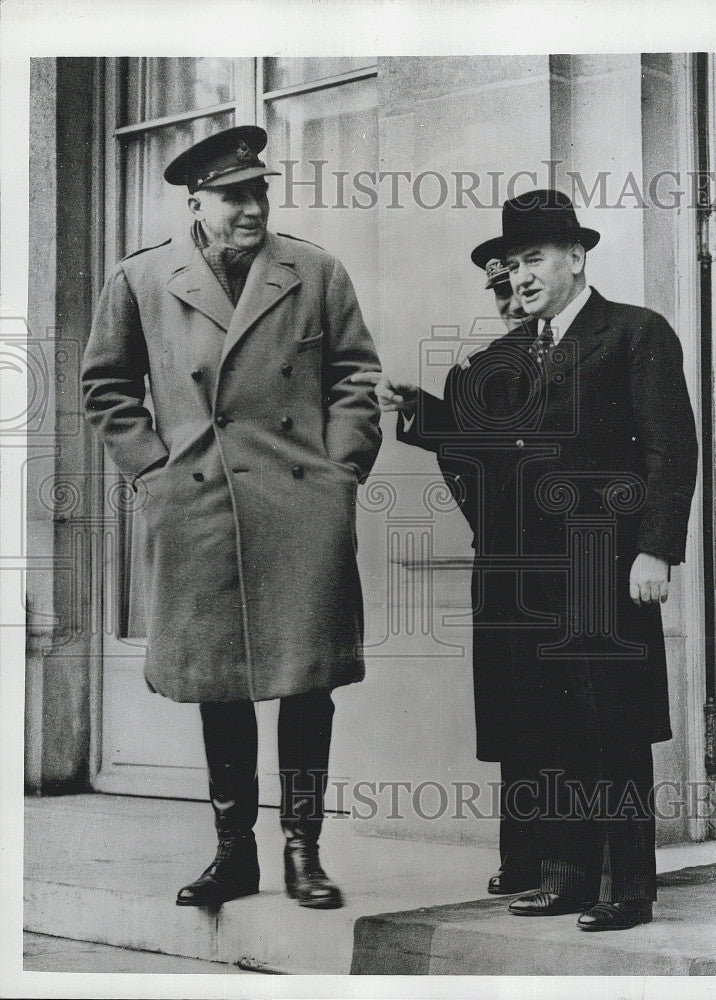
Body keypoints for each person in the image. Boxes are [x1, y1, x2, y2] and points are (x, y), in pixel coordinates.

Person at [352, 189, 697, 931]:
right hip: (520, 577)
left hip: (603, 567)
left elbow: (671, 448)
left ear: (576, 256)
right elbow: (484, 452)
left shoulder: (634, 334)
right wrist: (420, 412)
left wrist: (655, 550)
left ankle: (628, 888)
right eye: (511, 264)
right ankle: (564, 879)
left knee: (613, 728)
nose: (522, 275)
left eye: (534, 257)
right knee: (543, 727)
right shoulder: (502, 357)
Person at [82, 125, 382, 910]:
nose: (253, 208)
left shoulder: (314, 271)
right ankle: (232, 853)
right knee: (220, 683)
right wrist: (156, 473)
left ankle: (302, 853)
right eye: (234, 196)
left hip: (299, 506)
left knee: (306, 681)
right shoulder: (143, 279)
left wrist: (339, 469)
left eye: (260, 192)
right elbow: (107, 389)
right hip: (201, 506)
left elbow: (355, 375)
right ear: (197, 202)